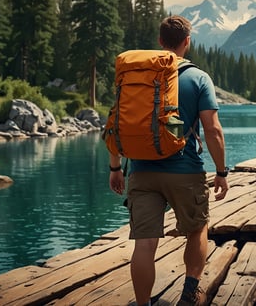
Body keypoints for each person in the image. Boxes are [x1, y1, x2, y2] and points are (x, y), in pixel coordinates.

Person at [108, 15, 229, 306]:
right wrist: (222, 171)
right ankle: (190, 291)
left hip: (141, 171)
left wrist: (115, 167)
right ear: (187, 41)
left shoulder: (136, 75)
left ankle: (142, 304)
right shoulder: (198, 78)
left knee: (145, 243)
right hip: (185, 171)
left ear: (160, 42)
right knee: (197, 228)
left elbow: (116, 123)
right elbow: (212, 130)